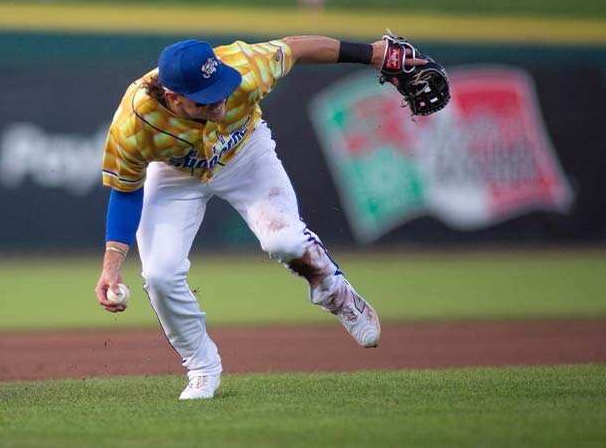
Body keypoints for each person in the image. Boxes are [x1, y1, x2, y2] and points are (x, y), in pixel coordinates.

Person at [95, 35, 427, 400]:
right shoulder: (134, 125)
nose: (219, 99)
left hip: (244, 154)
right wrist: (112, 265)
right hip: (176, 176)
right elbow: (126, 190)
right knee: (159, 275)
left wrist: (372, 54)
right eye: (205, 97)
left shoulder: (243, 67)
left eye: (218, 86)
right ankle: (202, 368)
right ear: (174, 98)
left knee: (283, 240)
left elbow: (296, 48)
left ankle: (335, 293)